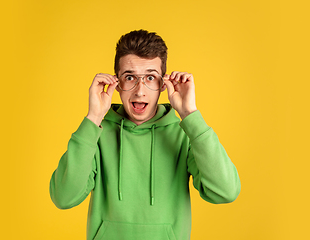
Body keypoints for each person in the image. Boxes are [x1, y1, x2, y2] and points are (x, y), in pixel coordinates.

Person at [50, 29, 241, 240]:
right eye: (130, 77)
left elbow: (226, 191)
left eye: (150, 77)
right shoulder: (97, 134)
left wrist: (190, 115)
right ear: (117, 83)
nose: (140, 91)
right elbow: (63, 197)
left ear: (162, 84)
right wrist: (93, 118)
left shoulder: (184, 134)